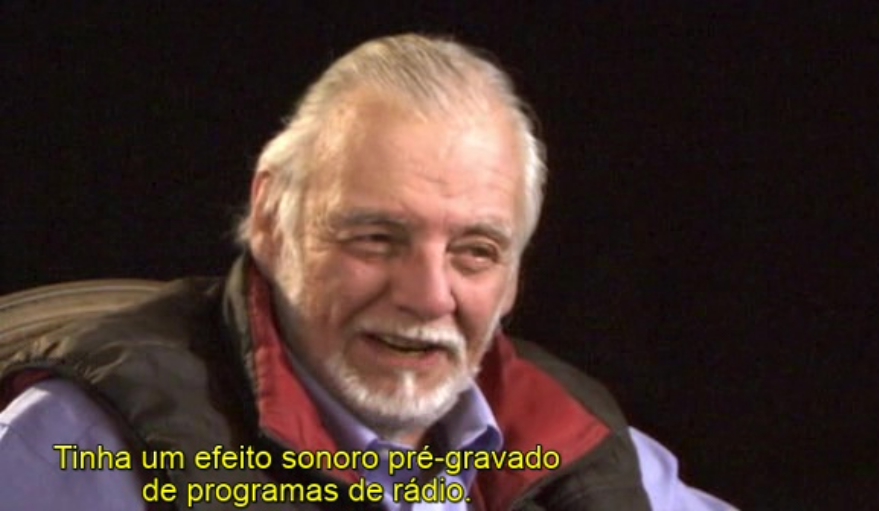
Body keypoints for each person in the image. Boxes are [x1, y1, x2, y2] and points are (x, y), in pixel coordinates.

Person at [0, 34, 735, 510]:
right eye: (378, 239)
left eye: (475, 251)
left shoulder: (575, 437)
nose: (427, 296)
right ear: (271, 218)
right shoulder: (85, 447)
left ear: (514, 276)